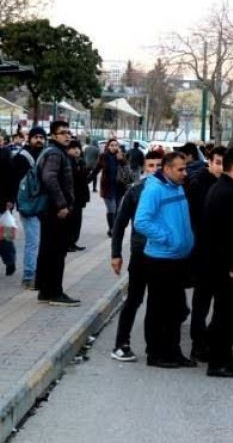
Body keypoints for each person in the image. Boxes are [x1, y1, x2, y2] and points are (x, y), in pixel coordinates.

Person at [134, 152, 196, 369]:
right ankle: (156, 353)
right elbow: (141, 222)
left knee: (176, 309)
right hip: (161, 259)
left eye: (185, 168)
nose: (184, 173)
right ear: (167, 169)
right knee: (159, 309)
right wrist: (168, 238)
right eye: (180, 169)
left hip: (178, 258)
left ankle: (173, 350)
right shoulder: (154, 189)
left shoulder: (177, 186)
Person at [203, 148, 233, 377]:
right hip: (224, 266)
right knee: (223, 315)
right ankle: (218, 362)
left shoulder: (227, 188)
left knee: (228, 314)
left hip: (223, 264)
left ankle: (226, 358)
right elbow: (227, 234)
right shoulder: (226, 192)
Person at [110, 151, 163, 362]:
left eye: (159, 165)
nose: (155, 170)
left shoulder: (172, 190)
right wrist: (116, 254)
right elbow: (120, 224)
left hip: (163, 255)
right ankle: (121, 344)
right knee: (134, 299)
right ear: (144, 168)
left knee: (159, 302)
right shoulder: (135, 191)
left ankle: (155, 346)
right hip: (141, 253)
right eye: (151, 166)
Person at [186, 145, 226, 362]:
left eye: (223, 163)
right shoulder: (199, 183)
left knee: (218, 301)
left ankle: (207, 339)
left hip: (217, 252)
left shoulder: (224, 183)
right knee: (202, 302)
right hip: (202, 252)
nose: (221, 167)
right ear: (209, 162)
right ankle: (198, 343)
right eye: (218, 162)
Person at [36, 121, 80, 306]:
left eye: (68, 132)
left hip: (50, 210)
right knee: (56, 252)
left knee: (49, 250)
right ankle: (55, 292)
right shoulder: (55, 153)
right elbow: (49, 177)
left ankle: (46, 291)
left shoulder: (54, 151)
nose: (67, 135)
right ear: (53, 136)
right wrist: (62, 204)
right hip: (55, 211)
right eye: (62, 133)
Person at [11, 127, 46, 289]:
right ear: (29, 138)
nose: (39, 140)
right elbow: (12, 182)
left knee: (39, 242)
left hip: (43, 206)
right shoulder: (21, 158)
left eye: (41, 137)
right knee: (32, 242)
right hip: (28, 206)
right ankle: (28, 276)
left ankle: (36, 274)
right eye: (36, 137)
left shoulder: (45, 155)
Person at [91, 139, 130, 237]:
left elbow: (127, 170)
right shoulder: (103, 156)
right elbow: (96, 169)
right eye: (112, 145)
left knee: (117, 209)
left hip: (119, 187)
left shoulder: (121, 156)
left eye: (116, 145)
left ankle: (115, 228)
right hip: (108, 187)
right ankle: (112, 229)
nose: (114, 147)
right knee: (111, 209)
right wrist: (88, 180)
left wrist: (121, 159)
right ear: (108, 146)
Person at [66, 140, 90, 252]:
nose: (76, 150)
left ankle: (73, 242)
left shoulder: (80, 162)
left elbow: (84, 180)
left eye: (78, 148)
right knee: (71, 221)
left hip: (80, 197)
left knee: (77, 221)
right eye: (73, 148)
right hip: (71, 197)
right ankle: (68, 243)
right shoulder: (67, 162)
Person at [0, 138, 16, 276]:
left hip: (3, 202)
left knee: (5, 236)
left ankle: (10, 260)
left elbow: (11, 178)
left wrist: (10, 199)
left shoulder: (5, 154)